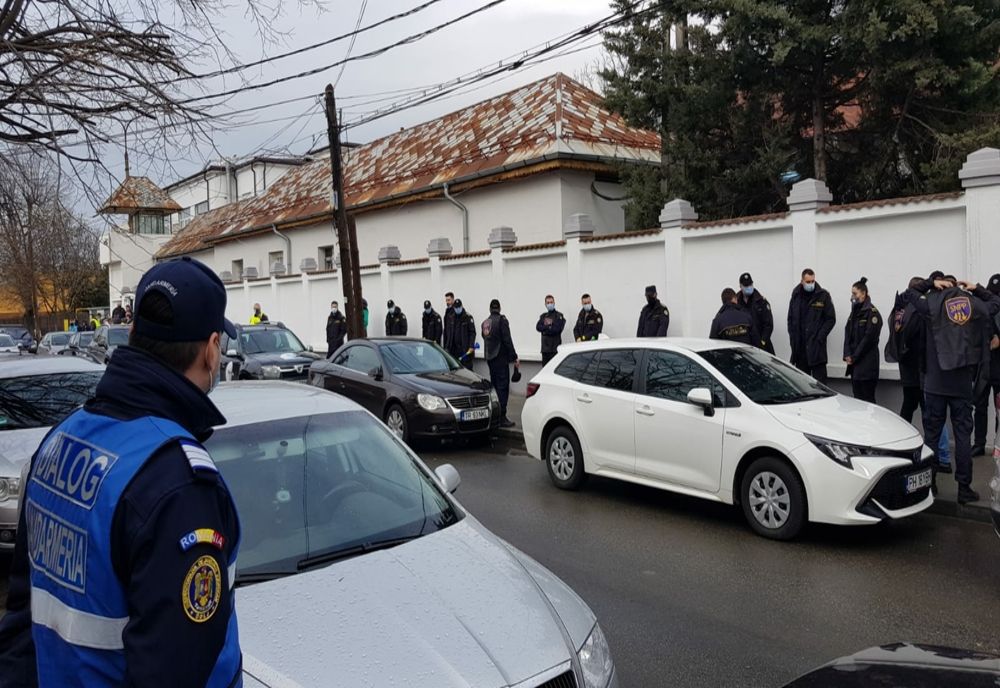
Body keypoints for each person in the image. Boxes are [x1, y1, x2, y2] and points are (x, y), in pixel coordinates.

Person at [0, 256, 242, 687]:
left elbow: (22, 618)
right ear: (211, 350)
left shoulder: (60, 441)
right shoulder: (177, 485)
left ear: (132, 335)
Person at [906, 272, 1000, 503]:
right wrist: (976, 287)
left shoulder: (931, 304)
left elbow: (910, 293)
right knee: (963, 438)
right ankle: (964, 489)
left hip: (935, 384)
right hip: (961, 385)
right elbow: (996, 302)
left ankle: (930, 484)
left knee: (932, 437)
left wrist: (930, 283)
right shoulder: (973, 304)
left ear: (941, 286)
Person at [787, 268, 836, 382]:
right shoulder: (796, 296)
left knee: (821, 384)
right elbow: (790, 319)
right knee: (803, 385)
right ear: (802, 281)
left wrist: (820, 337)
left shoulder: (823, 296)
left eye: (812, 281)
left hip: (817, 349)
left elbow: (830, 319)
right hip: (800, 350)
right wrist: (793, 338)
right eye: (808, 282)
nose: (811, 284)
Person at [972, 273, 1000, 456]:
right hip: (984, 366)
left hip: (998, 368)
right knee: (980, 406)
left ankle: (998, 444)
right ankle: (979, 443)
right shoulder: (985, 308)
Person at [843, 277, 882, 403]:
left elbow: (868, 339)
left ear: (863, 294)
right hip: (855, 367)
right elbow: (847, 332)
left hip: (867, 367)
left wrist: (854, 356)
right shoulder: (854, 312)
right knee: (857, 401)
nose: (852, 297)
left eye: (855, 294)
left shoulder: (872, 313)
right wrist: (847, 354)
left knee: (868, 400)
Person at [482, 299, 519, 427]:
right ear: (499, 308)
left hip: (490, 359)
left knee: (495, 387)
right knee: (503, 388)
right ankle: (502, 416)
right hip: (500, 358)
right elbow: (507, 340)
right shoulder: (502, 321)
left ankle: (495, 416)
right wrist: (514, 356)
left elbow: (486, 339)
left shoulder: (485, 323)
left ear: (490, 309)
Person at [737, 273, 775, 353]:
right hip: (744, 346)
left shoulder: (761, 301)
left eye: (750, 284)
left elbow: (768, 324)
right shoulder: (736, 302)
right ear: (741, 286)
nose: (749, 287)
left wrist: (762, 341)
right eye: (746, 285)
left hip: (761, 345)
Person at [535, 295, 566, 365]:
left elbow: (557, 330)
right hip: (545, 350)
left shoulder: (559, 316)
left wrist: (545, 329)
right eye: (548, 303)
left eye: (551, 302)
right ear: (545, 304)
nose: (550, 304)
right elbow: (538, 327)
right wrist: (549, 327)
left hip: (554, 350)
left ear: (554, 303)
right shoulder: (543, 316)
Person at [449, 298, 477, 370]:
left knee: (467, 371)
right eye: (456, 308)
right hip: (454, 350)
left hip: (465, 350)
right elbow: (449, 333)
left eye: (458, 307)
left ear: (461, 306)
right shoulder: (452, 317)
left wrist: (471, 346)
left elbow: (472, 333)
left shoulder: (468, 317)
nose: (457, 309)